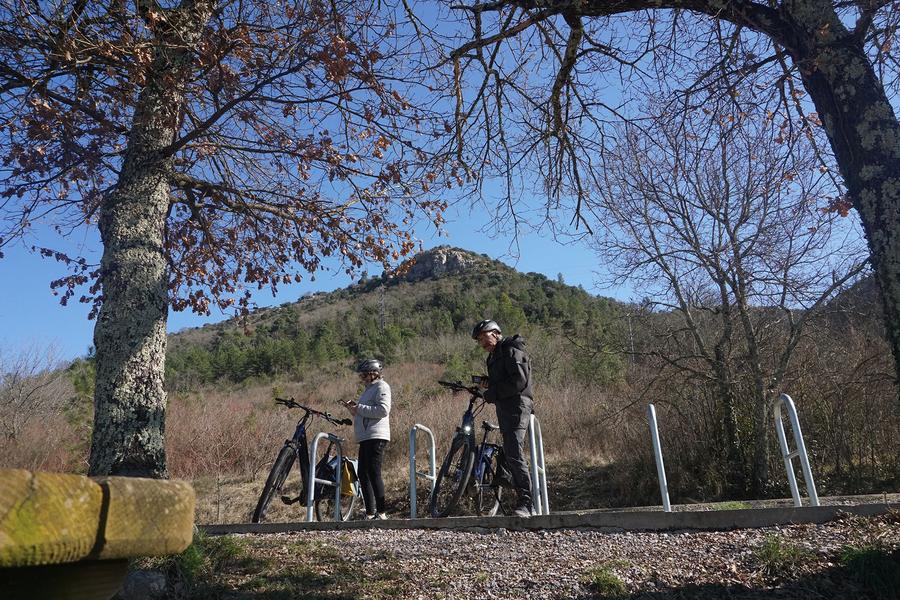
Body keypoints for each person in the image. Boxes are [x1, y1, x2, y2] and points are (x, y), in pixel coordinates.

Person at [472, 319, 534, 518]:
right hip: (505, 408)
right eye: (479, 339)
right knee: (508, 452)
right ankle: (517, 498)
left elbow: (519, 381)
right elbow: (503, 380)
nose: (483, 342)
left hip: (518, 406)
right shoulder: (492, 358)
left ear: (496, 333)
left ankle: (527, 503)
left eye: (485, 336)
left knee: (514, 451)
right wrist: (487, 383)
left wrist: (491, 394)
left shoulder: (511, 349)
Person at [343, 358, 392, 520]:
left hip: (376, 435)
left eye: (364, 375)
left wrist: (359, 408)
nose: (362, 378)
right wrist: (354, 409)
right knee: (363, 474)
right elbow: (364, 412)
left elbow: (383, 410)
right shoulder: (368, 390)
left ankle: (382, 512)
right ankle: (370, 513)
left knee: (374, 473)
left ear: (374, 374)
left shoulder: (382, 387)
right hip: (365, 436)